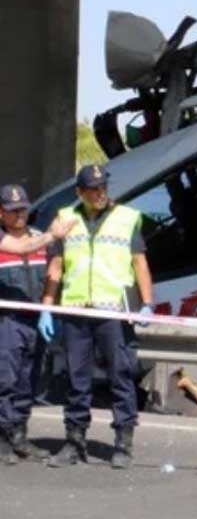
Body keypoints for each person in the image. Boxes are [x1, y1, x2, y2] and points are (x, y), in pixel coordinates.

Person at [43, 165, 153, 469]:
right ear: (80, 192)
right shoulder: (65, 218)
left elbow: (140, 263)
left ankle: (122, 443)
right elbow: (56, 265)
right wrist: (48, 305)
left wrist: (147, 302)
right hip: (76, 310)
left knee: (121, 375)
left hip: (113, 311)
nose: (101, 192)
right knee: (76, 379)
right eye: (94, 188)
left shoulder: (126, 218)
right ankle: (74, 441)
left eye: (103, 186)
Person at [0, 185, 54, 465]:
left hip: (35, 320)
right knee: (4, 380)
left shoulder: (37, 238)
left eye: (23, 208)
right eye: (13, 210)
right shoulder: (5, 240)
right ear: (1, 213)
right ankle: (3, 437)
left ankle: (19, 433)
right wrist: (53, 234)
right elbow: (21, 247)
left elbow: (52, 275)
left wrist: (47, 306)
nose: (20, 214)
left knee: (30, 379)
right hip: (6, 321)